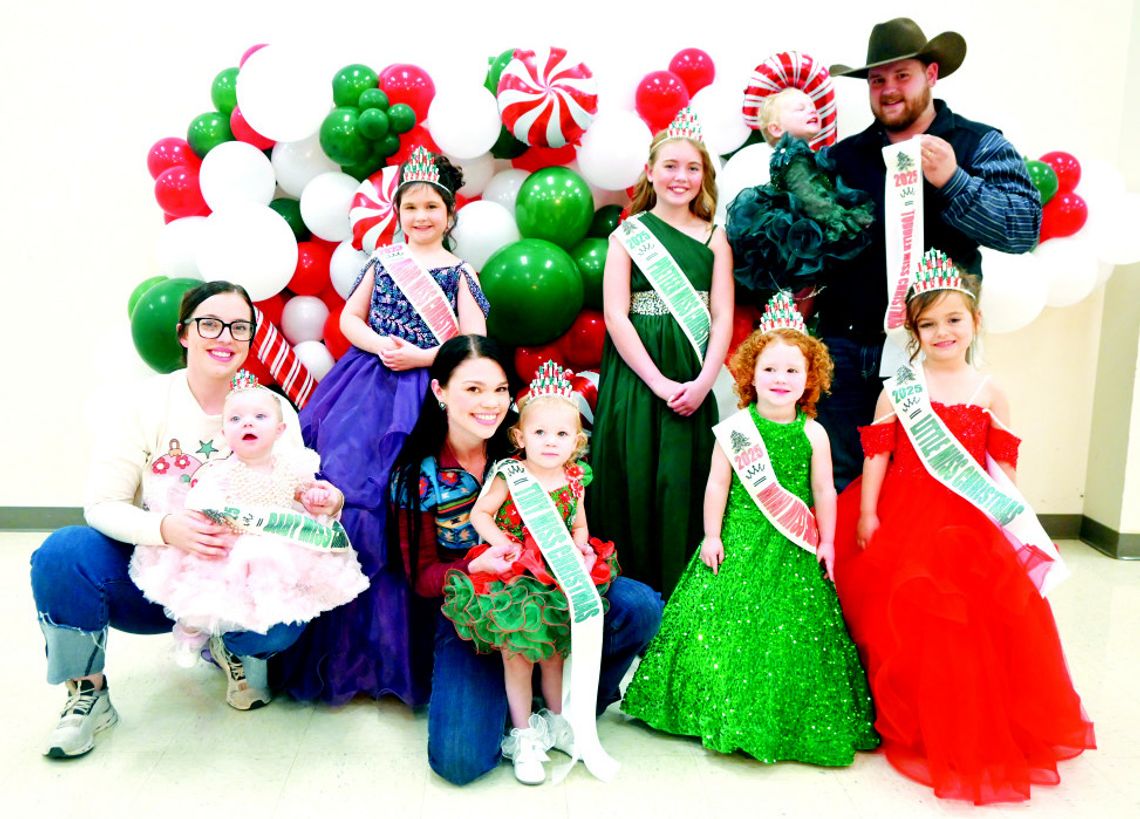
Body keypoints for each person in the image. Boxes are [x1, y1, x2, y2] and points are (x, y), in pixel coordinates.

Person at [31, 281, 344, 758]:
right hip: (157, 577)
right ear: (183, 333)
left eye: (239, 327)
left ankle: (233, 646)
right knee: (62, 554)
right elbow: (102, 504)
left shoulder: (272, 407)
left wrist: (324, 502)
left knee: (286, 608)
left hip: (241, 580)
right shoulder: (142, 404)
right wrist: (165, 530)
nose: (225, 337)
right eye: (210, 324)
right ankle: (87, 692)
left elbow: (293, 491)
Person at [833, 250, 1095, 803]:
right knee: (906, 617)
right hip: (904, 512)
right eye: (927, 324)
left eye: (953, 319)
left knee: (971, 621)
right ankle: (912, 712)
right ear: (914, 333)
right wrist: (868, 512)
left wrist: (1016, 522)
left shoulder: (990, 390)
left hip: (969, 522)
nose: (942, 332)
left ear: (975, 321)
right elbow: (877, 455)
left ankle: (967, 715)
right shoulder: (899, 388)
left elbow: (1002, 467)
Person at [390, 335, 662, 786]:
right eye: (473, 389)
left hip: (551, 584)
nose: (490, 403)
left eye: (499, 389)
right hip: (480, 604)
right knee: (459, 760)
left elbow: (573, 515)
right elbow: (420, 577)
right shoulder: (418, 475)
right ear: (440, 391)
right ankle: (519, 710)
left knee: (641, 606)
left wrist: (579, 546)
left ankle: (564, 707)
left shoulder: (535, 440)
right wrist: (473, 567)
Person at [622, 293, 879, 765]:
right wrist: (712, 535)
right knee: (723, 626)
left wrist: (827, 540)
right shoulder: (737, 427)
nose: (780, 379)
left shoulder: (814, 433)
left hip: (793, 548)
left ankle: (784, 716)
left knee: (791, 634)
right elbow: (717, 485)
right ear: (750, 375)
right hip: (738, 541)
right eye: (770, 369)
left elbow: (824, 490)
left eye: (792, 370)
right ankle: (714, 707)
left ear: (810, 378)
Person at [274, 147, 490, 705]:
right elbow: (350, 317)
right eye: (411, 207)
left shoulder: (460, 272)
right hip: (366, 386)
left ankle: (415, 656)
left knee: (411, 512)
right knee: (352, 500)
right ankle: (352, 656)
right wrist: (378, 344)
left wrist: (422, 357)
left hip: (430, 392)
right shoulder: (383, 260)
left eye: (432, 207)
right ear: (398, 213)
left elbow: (473, 341)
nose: (421, 216)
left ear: (450, 214)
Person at [817, 17, 1043, 489]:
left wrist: (955, 182)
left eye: (902, 75)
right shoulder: (843, 158)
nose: (889, 89)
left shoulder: (979, 143)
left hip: (933, 350)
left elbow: (1023, 228)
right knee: (842, 479)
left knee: (927, 486)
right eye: (877, 80)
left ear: (931, 74)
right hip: (845, 347)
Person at [440, 360, 619, 784]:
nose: (550, 442)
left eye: (561, 435)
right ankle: (524, 735)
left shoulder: (574, 480)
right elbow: (480, 514)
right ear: (520, 437)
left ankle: (557, 723)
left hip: (556, 575)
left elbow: (578, 524)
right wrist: (501, 543)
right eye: (539, 433)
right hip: (514, 577)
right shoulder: (511, 475)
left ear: (577, 441)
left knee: (555, 652)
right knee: (518, 656)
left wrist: (580, 546)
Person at [129, 371, 368, 674]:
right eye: (236, 419)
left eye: (259, 416)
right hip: (229, 548)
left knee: (264, 604)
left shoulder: (292, 468)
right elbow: (200, 501)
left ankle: (241, 651)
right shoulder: (220, 471)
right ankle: (193, 632)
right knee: (207, 596)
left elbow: (304, 496)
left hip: (276, 549)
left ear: (280, 430)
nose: (248, 423)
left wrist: (318, 497)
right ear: (225, 432)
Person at [591, 107, 734, 595]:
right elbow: (616, 316)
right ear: (650, 172)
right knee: (634, 475)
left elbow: (722, 316)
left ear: (704, 176)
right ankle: (632, 600)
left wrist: (704, 383)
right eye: (670, 166)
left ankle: (683, 601)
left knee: (682, 481)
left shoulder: (715, 238)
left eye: (692, 168)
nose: (681, 177)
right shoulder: (627, 235)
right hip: (637, 377)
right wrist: (657, 382)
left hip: (692, 377)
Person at [727, 87, 874, 305]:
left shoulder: (801, 154)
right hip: (806, 225)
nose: (811, 111)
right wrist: (839, 218)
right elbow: (806, 194)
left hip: (810, 221)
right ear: (776, 128)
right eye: (800, 108)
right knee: (810, 278)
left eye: (812, 107)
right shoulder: (794, 156)